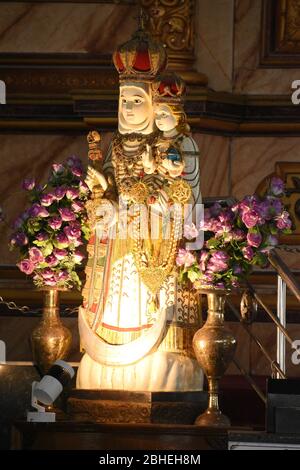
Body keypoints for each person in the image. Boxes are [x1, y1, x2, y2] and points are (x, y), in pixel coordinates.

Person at [76, 29, 203, 392]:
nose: (128, 109)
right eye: (123, 101)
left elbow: (182, 197)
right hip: (119, 238)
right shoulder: (116, 145)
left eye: (136, 101)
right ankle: (108, 347)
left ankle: (157, 349)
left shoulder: (171, 144)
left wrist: (147, 201)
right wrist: (103, 191)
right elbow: (113, 192)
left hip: (153, 238)